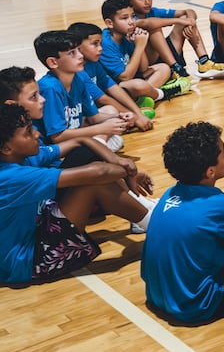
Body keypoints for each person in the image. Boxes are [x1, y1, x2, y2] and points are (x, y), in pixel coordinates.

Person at [0, 104, 155, 284]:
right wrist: (130, 171)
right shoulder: (10, 177)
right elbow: (98, 173)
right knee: (93, 184)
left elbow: (81, 141)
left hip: (39, 224)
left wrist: (117, 159)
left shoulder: (21, 157)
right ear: (6, 148)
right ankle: (158, 225)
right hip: (27, 262)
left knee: (87, 157)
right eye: (28, 132)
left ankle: (148, 217)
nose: (37, 134)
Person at [142, 122, 224, 324]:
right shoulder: (221, 206)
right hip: (194, 305)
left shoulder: (170, 193)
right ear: (210, 172)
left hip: (157, 295)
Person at [37, 29, 129, 151]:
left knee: (112, 113)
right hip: (56, 148)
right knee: (109, 140)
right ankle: (99, 149)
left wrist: (120, 117)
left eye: (79, 50)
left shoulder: (78, 77)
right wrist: (102, 129)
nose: (81, 56)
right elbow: (57, 137)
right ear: (53, 62)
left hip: (75, 135)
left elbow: (93, 117)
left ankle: (100, 148)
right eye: (72, 53)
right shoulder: (50, 88)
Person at [124, 0, 224, 80]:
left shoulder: (153, 11)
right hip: (147, 64)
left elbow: (188, 10)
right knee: (155, 28)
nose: (147, 1)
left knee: (186, 19)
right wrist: (179, 21)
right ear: (129, 1)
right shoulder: (129, 20)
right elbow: (148, 23)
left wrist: (190, 21)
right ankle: (175, 67)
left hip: (162, 55)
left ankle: (204, 61)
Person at [99, 0, 190, 104]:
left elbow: (143, 69)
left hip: (130, 81)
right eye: (124, 18)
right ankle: (162, 93)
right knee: (138, 85)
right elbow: (125, 77)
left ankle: (145, 98)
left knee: (164, 68)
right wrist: (140, 46)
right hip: (114, 88)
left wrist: (137, 44)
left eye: (132, 17)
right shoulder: (105, 43)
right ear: (110, 23)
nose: (131, 22)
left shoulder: (126, 35)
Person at [66, 22, 153, 129]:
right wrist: (134, 116)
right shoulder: (78, 71)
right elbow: (103, 99)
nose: (100, 48)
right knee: (111, 111)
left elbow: (112, 87)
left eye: (101, 44)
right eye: (95, 44)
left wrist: (137, 113)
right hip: (82, 116)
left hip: (95, 109)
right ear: (78, 47)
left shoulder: (94, 63)